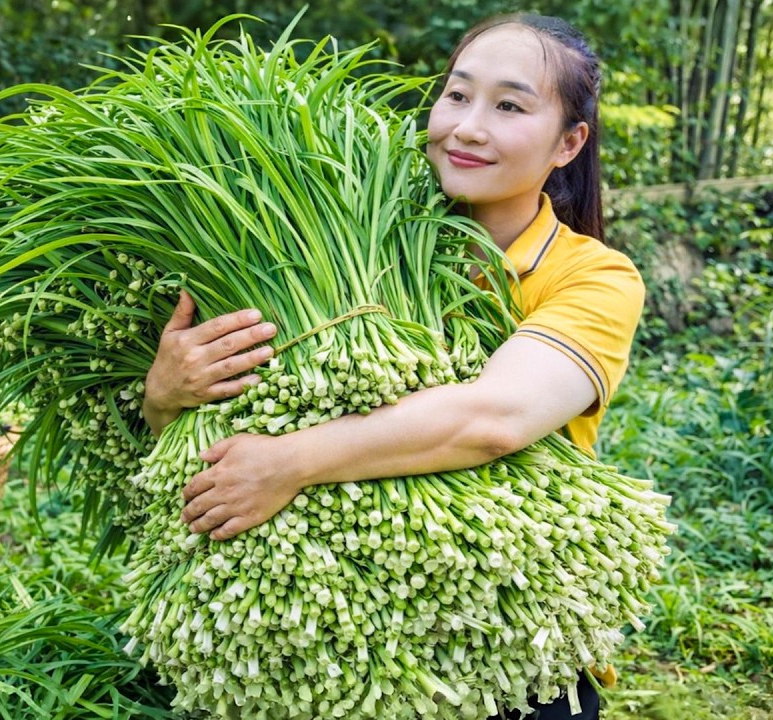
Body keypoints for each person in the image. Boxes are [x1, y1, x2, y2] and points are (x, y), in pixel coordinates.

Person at [141, 13, 644, 720]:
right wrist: (164, 395)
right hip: (306, 642)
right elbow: (195, 440)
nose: (467, 127)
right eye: (457, 95)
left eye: (508, 106)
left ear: (569, 142)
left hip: (502, 638)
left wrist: (290, 461)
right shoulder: (334, 234)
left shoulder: (593, 277)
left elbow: (495, 418)